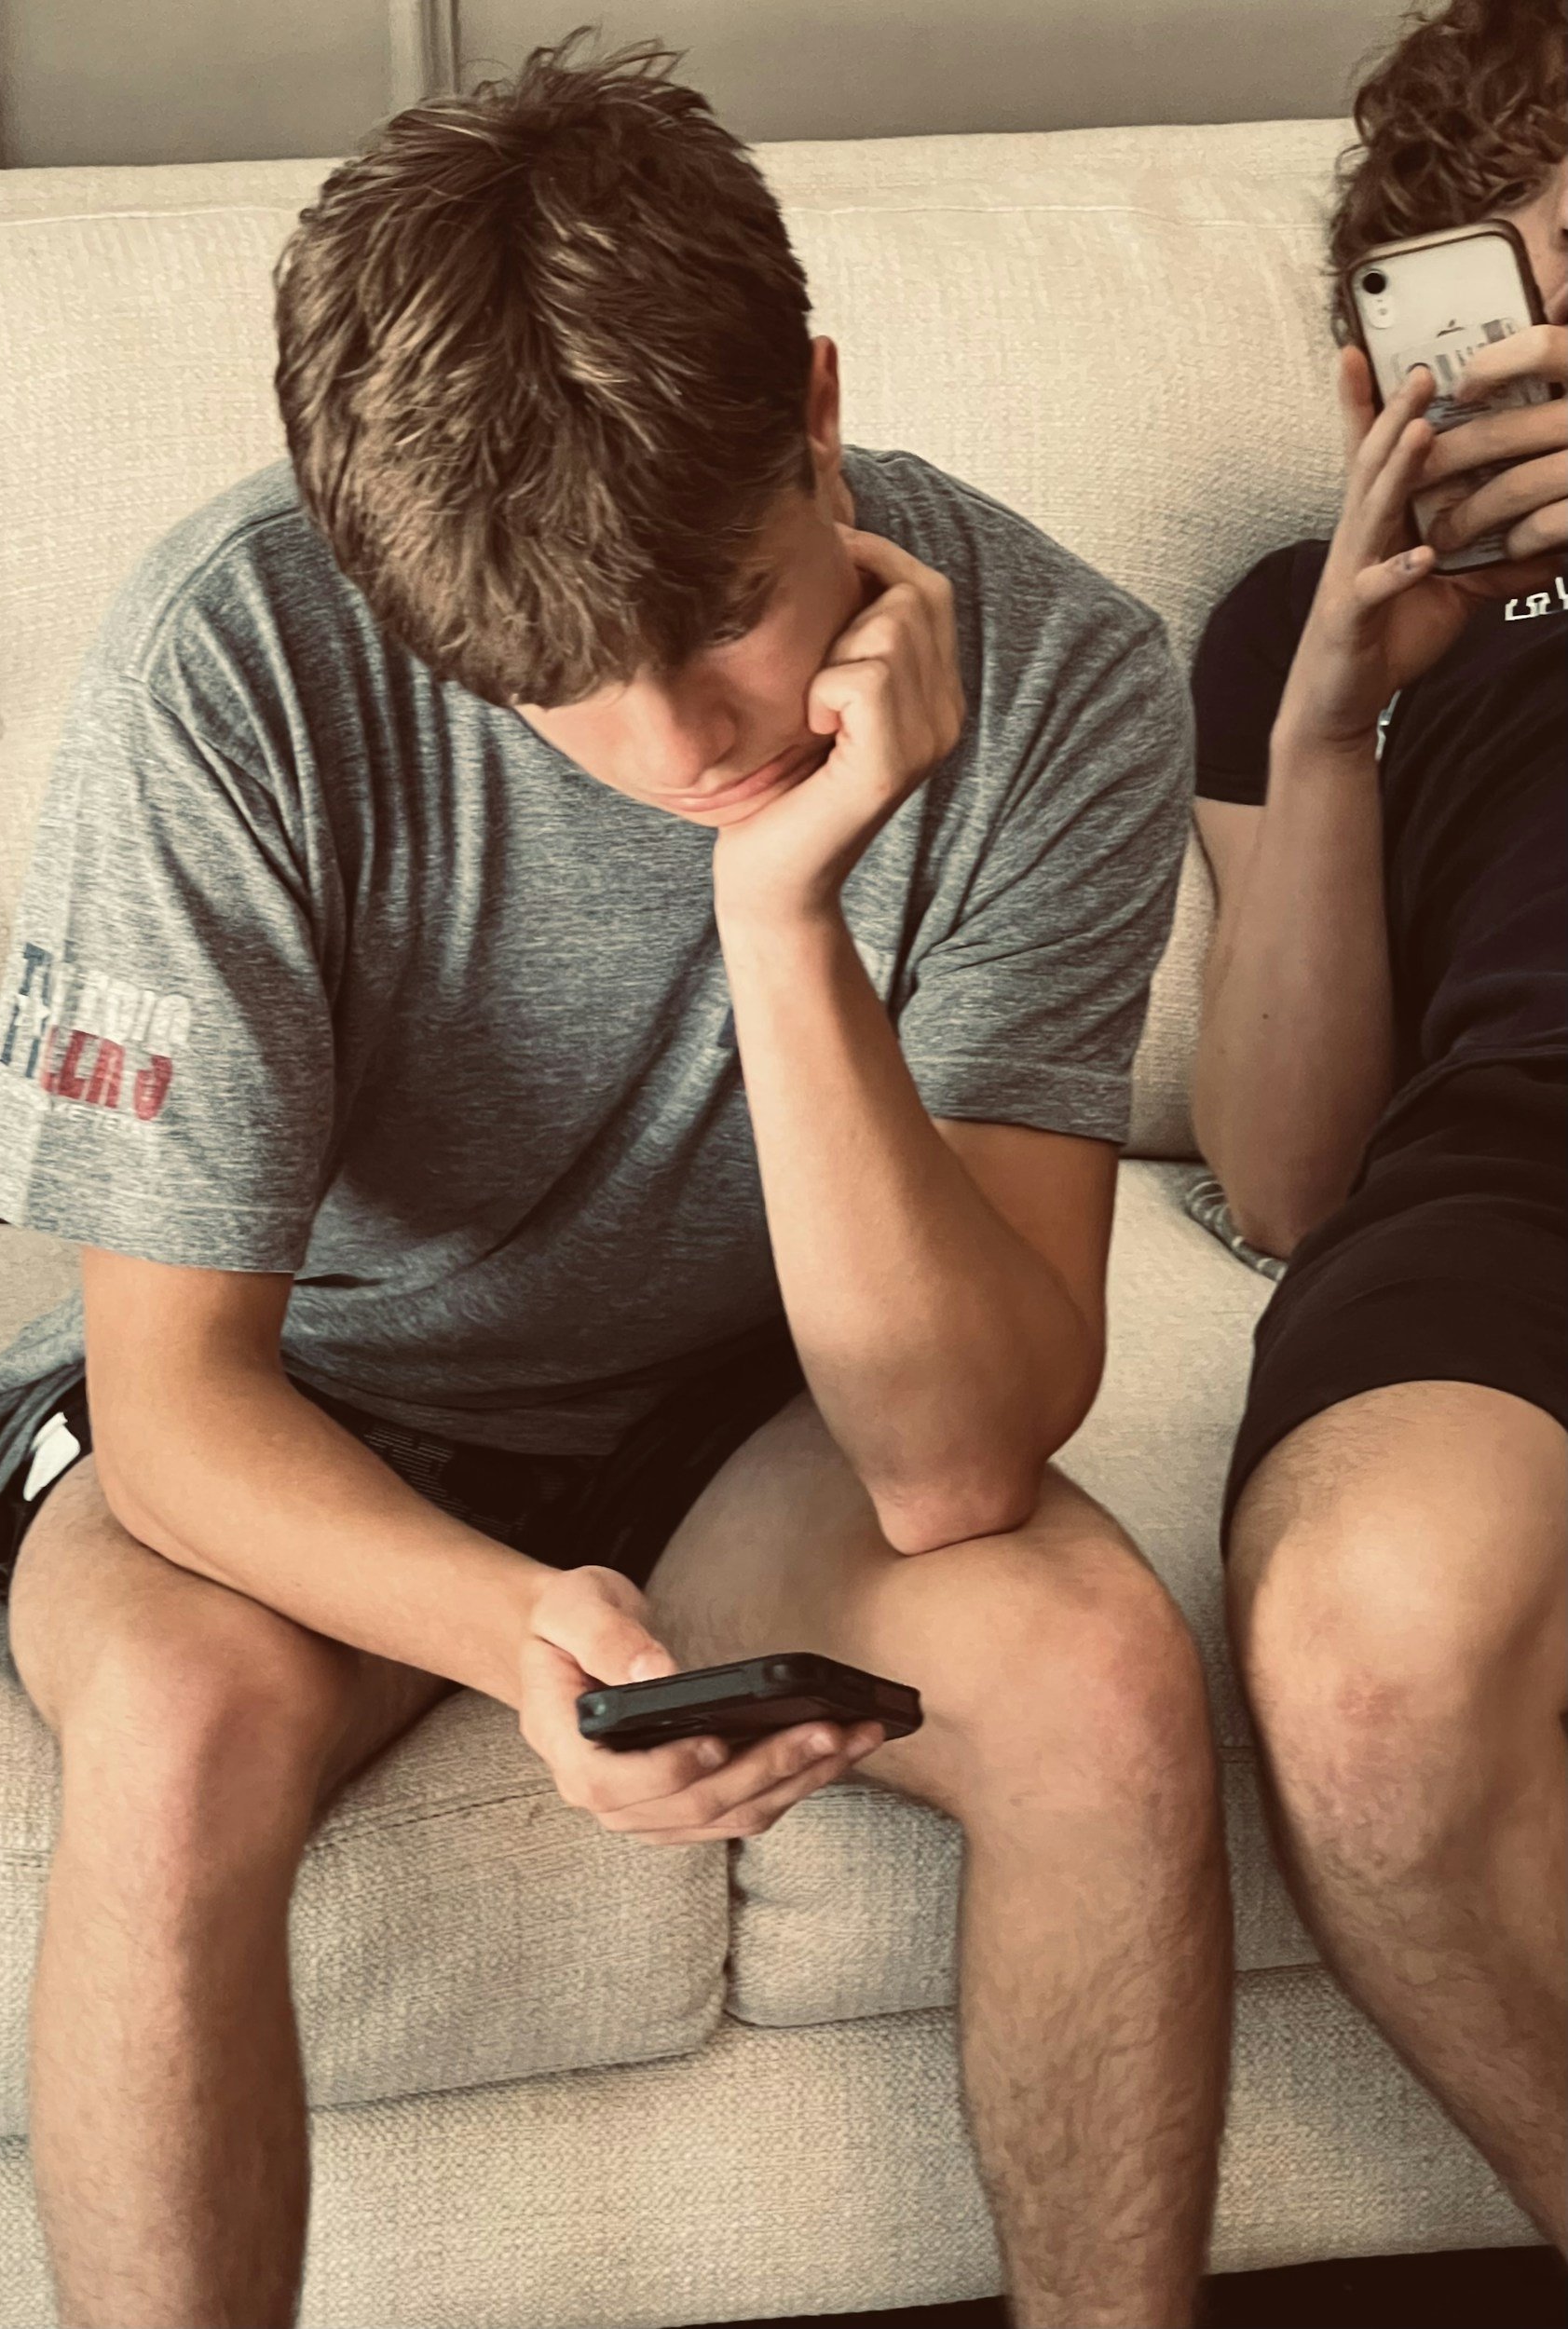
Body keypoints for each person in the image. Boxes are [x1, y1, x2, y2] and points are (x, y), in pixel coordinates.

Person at [0, 37, 1229, 2329]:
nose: (685, 740)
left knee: (1101, 1681)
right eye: (560, 686)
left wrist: (782, 915)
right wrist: (517, 1635)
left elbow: (948, 1464)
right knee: (182, 1727)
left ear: (812, 403)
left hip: (744, 1405)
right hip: (309, 1412)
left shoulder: (1061, 679)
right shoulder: (231, 654)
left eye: (722, 605)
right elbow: (180, 1403)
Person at [1190, 0, 1566, 2255]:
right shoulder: (1289, 627)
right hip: (1512, 1145)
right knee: (1360, 1667)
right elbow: (1282, 1177)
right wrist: (1332, 721)